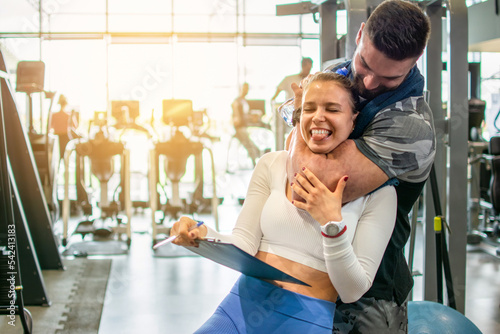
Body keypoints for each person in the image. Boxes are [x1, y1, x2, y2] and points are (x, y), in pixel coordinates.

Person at [170, 72, 397, 333]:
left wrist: (332, 224)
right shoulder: (272, 163)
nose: (318, 117)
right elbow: (243, 241)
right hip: (240, 307)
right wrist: (200, 233)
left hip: (306, 318)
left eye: (332, 109)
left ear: (353, 118)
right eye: (309, 108)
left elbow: (352, 290)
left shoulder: (379, 193)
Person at [285, 1, 434, 332]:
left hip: (369, 296)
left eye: (388, 77)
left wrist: (300, 115)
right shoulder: (338, 70)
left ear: (414, 62)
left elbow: (308, 181)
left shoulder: (411, 125)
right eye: (365, 63)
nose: (367, 83)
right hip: (309, 278)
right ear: (360, 33)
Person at [231, 82, 268, 166]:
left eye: (247, 89)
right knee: (249, 144)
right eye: (244, 89)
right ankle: (259, 159)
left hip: (245, 126)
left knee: (252, 142)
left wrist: (251, 117)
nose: (246, 91)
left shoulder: (244, 101)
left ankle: (260, 157)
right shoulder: (237, 101)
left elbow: (244, 115)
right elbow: (237, 117)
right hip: (240, 128)